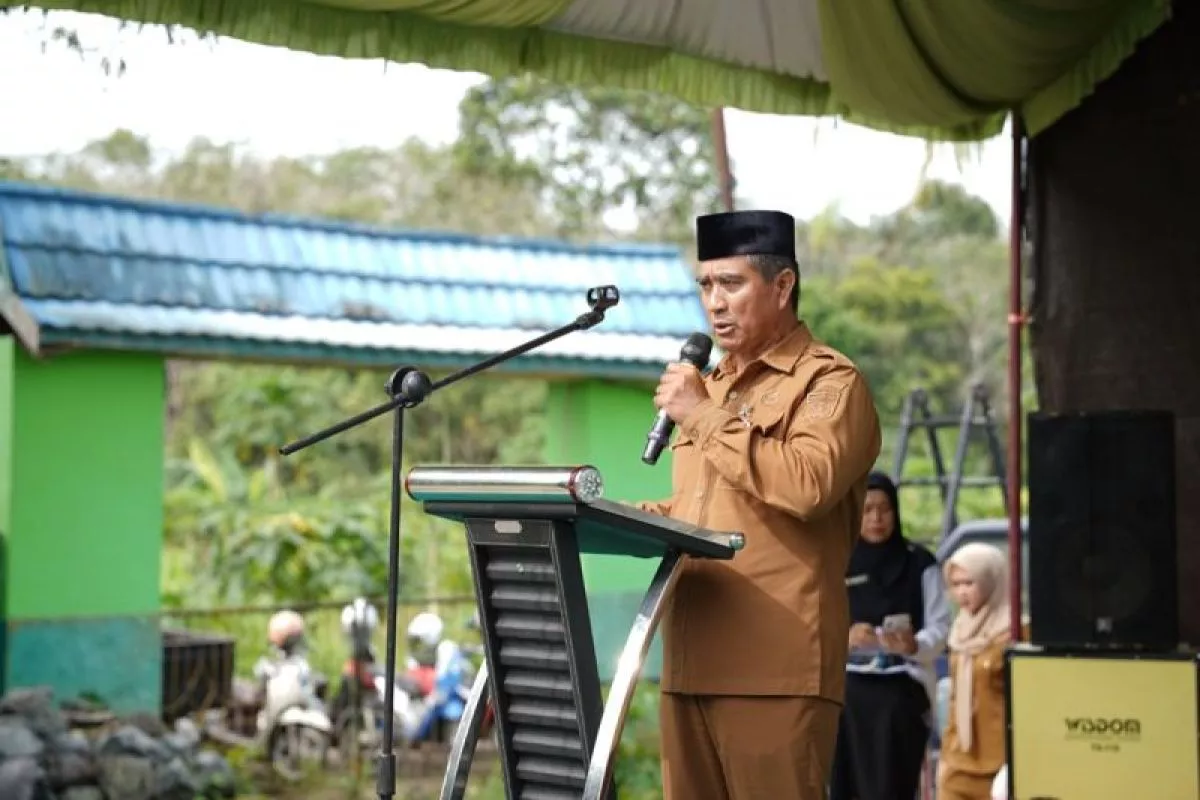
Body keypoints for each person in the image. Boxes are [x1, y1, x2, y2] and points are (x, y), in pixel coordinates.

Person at [638, 209, 882, 800]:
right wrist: (617, 517)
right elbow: (706, 510)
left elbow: (807, 484)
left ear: (782, 285)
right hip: (690, 661)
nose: (714, 303)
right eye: (705, 285)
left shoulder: (829, 382)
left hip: (775, 669)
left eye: (731, 283)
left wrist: (701, 415)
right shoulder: (710, 386)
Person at [830, 471, 950, 800]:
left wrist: (914, 644)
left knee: (893, 708)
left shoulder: (919, 563)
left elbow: (940, 627)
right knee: (843, 705)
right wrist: (845, 637)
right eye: (867, 510)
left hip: (902, 679)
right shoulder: (837, 561)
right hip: (848, 679)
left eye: (884, 509)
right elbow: (815, 626)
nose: (876, 519)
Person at [937, 543, 1012, 800]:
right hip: (958, 760)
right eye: (955, 584)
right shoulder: (959, 632)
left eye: (969, 583)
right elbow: (956, 697)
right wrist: (946, 753)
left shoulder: (1014, 632)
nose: (961, 592)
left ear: (991, 581)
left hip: (1000, 764)